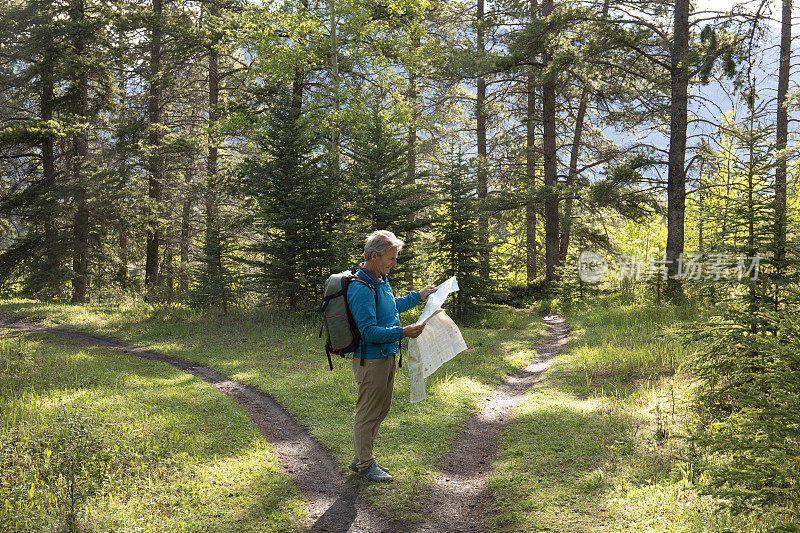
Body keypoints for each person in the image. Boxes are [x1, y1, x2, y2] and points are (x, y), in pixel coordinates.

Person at [346, 230, 436, 482]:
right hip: (370, 359)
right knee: (368, 412)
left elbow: (391, 306)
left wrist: (419, 296)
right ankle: (365, 464)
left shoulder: (380, 279)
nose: (395, 263)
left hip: (387, 355)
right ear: (374, 256)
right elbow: (369, 331)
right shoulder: (361, 287)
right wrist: (403, 332)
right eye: (391, 258)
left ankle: (361, 458)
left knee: (381, 409)